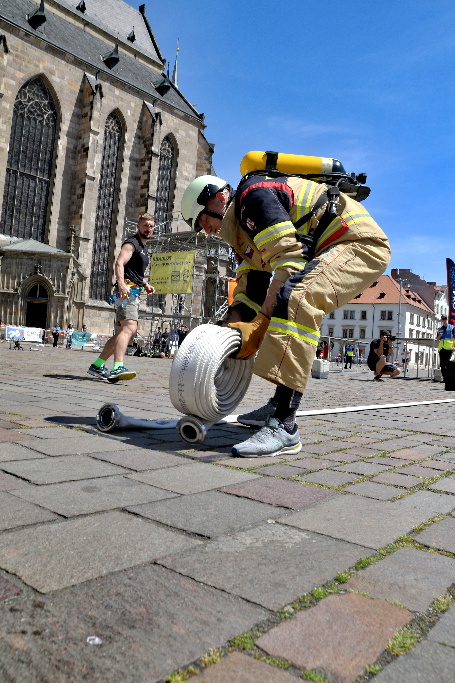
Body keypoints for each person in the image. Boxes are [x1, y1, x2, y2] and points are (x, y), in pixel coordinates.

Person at [181, 170, 391, 457]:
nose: (206, 230)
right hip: (328, 248)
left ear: (219, 198)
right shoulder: (242, 234)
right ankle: (277, 405)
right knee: (288, 295)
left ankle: (284, 424)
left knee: (297, 298)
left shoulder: (253, 199)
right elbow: (248, 292)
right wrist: (228, 336)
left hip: (357, 242)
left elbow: (290, 262)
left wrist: (262, 321)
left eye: (204, 220)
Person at [87, 214, 155, 381]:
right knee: (129, 328)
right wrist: (121, 284)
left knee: (122, 333)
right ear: (138, 226)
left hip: (134, 289)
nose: (148, 228)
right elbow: (119, 263)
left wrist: (145, 284)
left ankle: (97, 365)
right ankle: (118, 367)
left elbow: (135, 271)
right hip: (126, 291)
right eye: (145, 225)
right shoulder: (131, 243)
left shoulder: (143, 248)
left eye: (151, 226)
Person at [436, 315, 455, 383]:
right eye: (443, 319)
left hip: (449, 348)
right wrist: (440, 335)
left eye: (445, 319)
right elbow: (437, 339)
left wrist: (454, 347)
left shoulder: (452, 328)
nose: (444, 320)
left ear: (447, 319)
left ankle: (448, 378)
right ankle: (444, 378)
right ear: (441, 320)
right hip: (442, 348)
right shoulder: (439, 328)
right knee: (442, 364)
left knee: (448, 364)